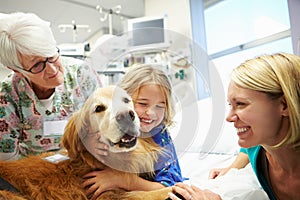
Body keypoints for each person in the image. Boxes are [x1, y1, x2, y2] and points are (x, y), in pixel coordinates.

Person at [168, 52, 300, 200]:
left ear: (284, 105)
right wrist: (231, 168)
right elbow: (247, 149)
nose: (229, 117)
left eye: (241, 104)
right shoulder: (257, 149)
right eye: (231, 105)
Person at [0, 12, 106, 191]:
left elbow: (106, 126)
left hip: (86, 171)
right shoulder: (8, 96)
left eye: (51, 55)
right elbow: (8, 165)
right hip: (34, 179)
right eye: (37, 65)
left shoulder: (82, 75)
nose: (51, 70)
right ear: (17, 70)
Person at [81, 64, 184, 200]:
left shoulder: (160, 135)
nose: (151, 113)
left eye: (159, 106)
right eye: (142, 104)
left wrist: (123, 180)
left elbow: (170, 187)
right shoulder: (106, 127)